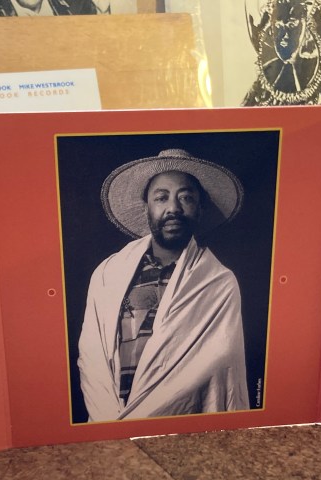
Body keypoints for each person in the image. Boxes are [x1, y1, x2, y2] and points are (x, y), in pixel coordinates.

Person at [77, 148, 250, 422]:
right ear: (146, 207)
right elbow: (91, 357)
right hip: (108, 420)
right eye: (161, 198)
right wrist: (110, 424)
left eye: (186, 198)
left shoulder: (218, 283)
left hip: (183, 430)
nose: (173, 208)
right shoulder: (108, 274)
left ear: (200, 209)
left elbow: (222, 372)